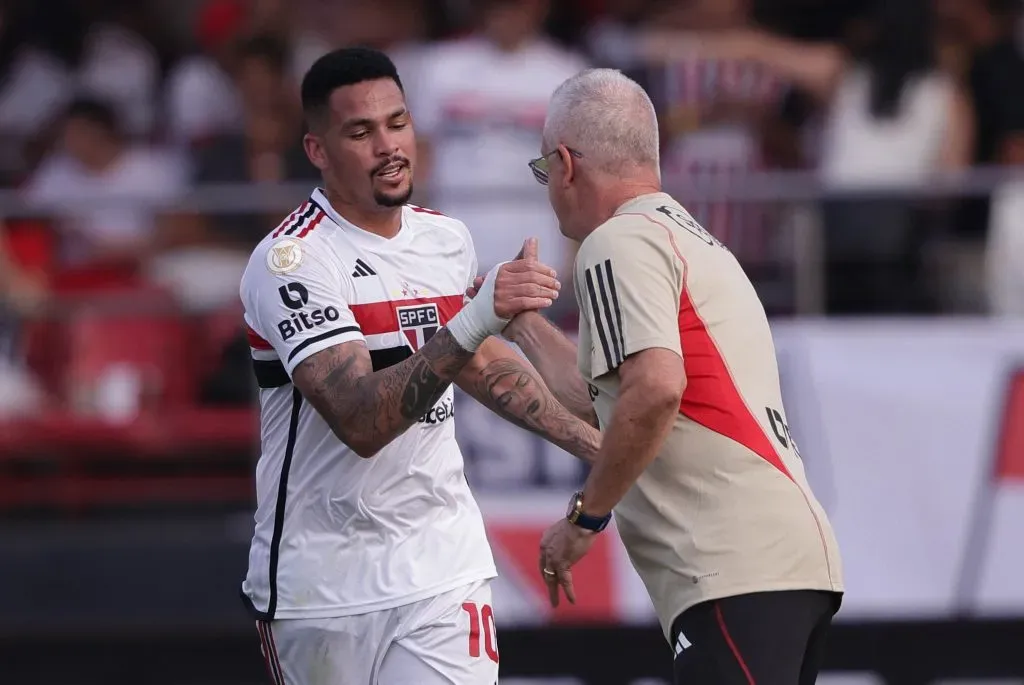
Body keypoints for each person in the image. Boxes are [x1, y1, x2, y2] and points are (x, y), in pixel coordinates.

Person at [237, 47, 601, 685]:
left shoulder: (445, 240)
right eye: (360, 131)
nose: (387, 146)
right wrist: (474, 316)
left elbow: (480, 365)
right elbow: (360, 418)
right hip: (323, 587)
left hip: (441, 567)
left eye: (397, 123)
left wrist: (604, 448)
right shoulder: (290, 263)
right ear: (317, 150)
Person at [491, 68, 844, 684]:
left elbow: (655, 390)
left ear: (567, 164)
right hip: (785, 565)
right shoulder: (692, 240)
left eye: (546, 172)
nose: (549, 190)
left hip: (731, 566)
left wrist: (584, 520)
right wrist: (520, 324)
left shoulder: (614, 243)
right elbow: (605, 400)